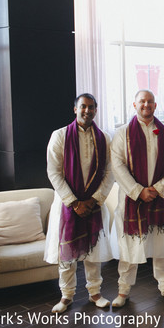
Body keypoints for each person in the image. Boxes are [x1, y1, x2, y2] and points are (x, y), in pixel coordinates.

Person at [110, 89, 164, 307]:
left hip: (161, 198)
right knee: (130, 247)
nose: (146, 105)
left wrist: (160, 188)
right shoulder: (122, 133)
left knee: (162, 246)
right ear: (134, 105)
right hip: (131, 200)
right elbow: (117, 165)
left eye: (150, 101)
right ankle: (123, 290)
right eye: (142, 101)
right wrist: (138, 191)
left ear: (155, 105)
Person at [44, 93, 114, 313]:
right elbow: (53, 173)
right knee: (67, 254)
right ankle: (66, 296)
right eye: (83, 106)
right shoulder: (60, 136)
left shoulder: (104, 138)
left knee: (93, 250)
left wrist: (94, 200)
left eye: (92, 107)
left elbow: (110, 173)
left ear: (96, 110)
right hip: (67, 205)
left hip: (94, 204)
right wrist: (74, 203)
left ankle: (95, 293)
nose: (87, 111)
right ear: (75, 109)